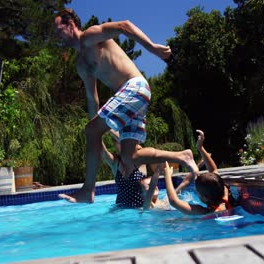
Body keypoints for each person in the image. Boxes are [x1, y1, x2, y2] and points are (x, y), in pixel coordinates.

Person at [54, 9, 199, 203]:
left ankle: (88, 190)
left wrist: (153, 48)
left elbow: (125, 26)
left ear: (71, 25)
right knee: (130, 157)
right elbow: (92, 98)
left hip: (135, 87)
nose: (56, 36)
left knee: (91, 132)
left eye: (58, 29)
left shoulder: (90, 36)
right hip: (130, 97)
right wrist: (96, 131)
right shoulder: (81, 64)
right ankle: (183, 156)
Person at [163, 131, 238, 215]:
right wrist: (200, 148)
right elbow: (213, 171)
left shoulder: (206, 212)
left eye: (197, 191)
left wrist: (167, 175)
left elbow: (173, 201)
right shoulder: (224, 192)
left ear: (205, 198)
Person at [101, 130, 163, 210]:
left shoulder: (140, 157)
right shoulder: (115, 162)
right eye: (117, 141)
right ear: (115, 144)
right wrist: (98, 130)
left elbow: (127, 145)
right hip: (120, 209)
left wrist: (109, 128)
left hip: (141, 209)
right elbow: (103, 152)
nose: (122, 144)